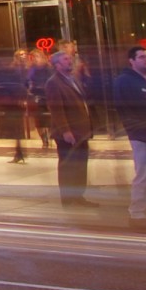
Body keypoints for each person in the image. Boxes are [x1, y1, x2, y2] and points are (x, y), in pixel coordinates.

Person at [113, 45, 146, 229]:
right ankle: (137, 213)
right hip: (141, 135)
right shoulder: (125, 81)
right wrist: (138, 128)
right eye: (142, 57)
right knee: (144, 174)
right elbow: (125, 109)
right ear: (132, 60)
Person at [45, 50, 95, 207]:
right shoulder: (53, 83)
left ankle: (78, 196)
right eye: (66, 59)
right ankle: (67, 198)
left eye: (70, 59)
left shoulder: (73, 79)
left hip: (81, 131)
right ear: (57, 65)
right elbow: (56, 109)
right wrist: (65, 130)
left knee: (80, 164)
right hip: (68, 133)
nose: (70, 61)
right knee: (68, 165)